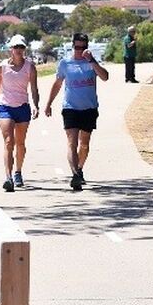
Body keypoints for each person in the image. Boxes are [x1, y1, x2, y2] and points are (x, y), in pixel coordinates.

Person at [43, 32, 108, 190]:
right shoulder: (65, 63)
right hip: (70, 107)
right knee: (72, 143)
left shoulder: (91, 63)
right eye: (77, 47)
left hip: (89, 108)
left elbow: (105, 77)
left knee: (84, 144)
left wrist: (92, 61)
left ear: (87, 47)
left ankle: (79, 169)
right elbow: (58, 84)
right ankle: (75, 175)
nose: (80, 50)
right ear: (73, 46)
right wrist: (48, 103)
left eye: (83, 47)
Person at [0, 34, 40, 192]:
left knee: (20, 143)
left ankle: (18, 172)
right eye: (16, 47)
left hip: (23, 107)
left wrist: (36, 105)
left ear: (24, 49)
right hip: (5, 107)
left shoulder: (30, 67)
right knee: (9, 141)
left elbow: (34, 88)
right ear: (11, 49)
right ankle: (8, 177)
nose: (18, 50)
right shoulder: (2, 67)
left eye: (21, 47)